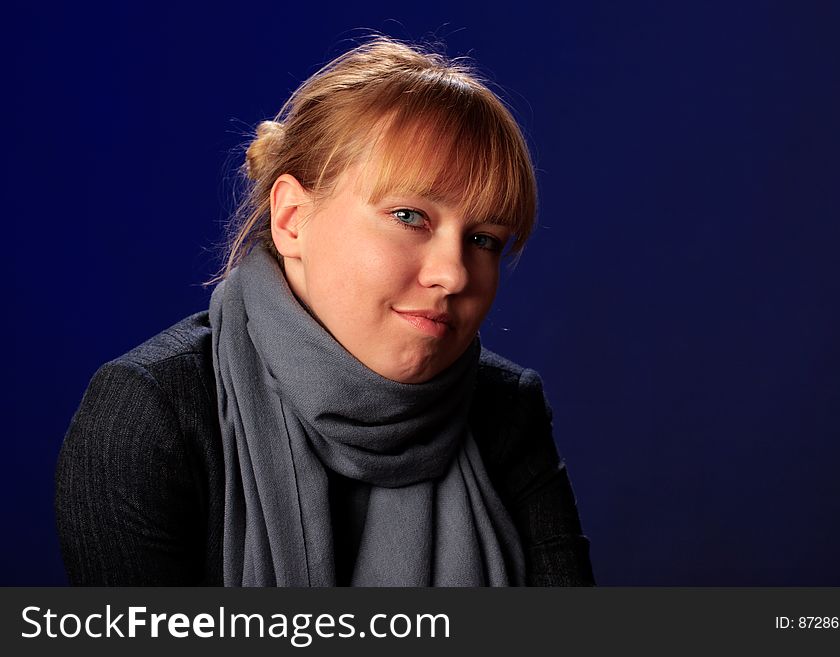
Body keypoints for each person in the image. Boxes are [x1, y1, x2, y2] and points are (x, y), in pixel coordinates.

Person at [55, 37, 595, 586]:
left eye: (483, 239)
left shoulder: (507, 410)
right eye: (409, 215)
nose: (453, 275)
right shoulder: (149, 416)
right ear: (292, 219)